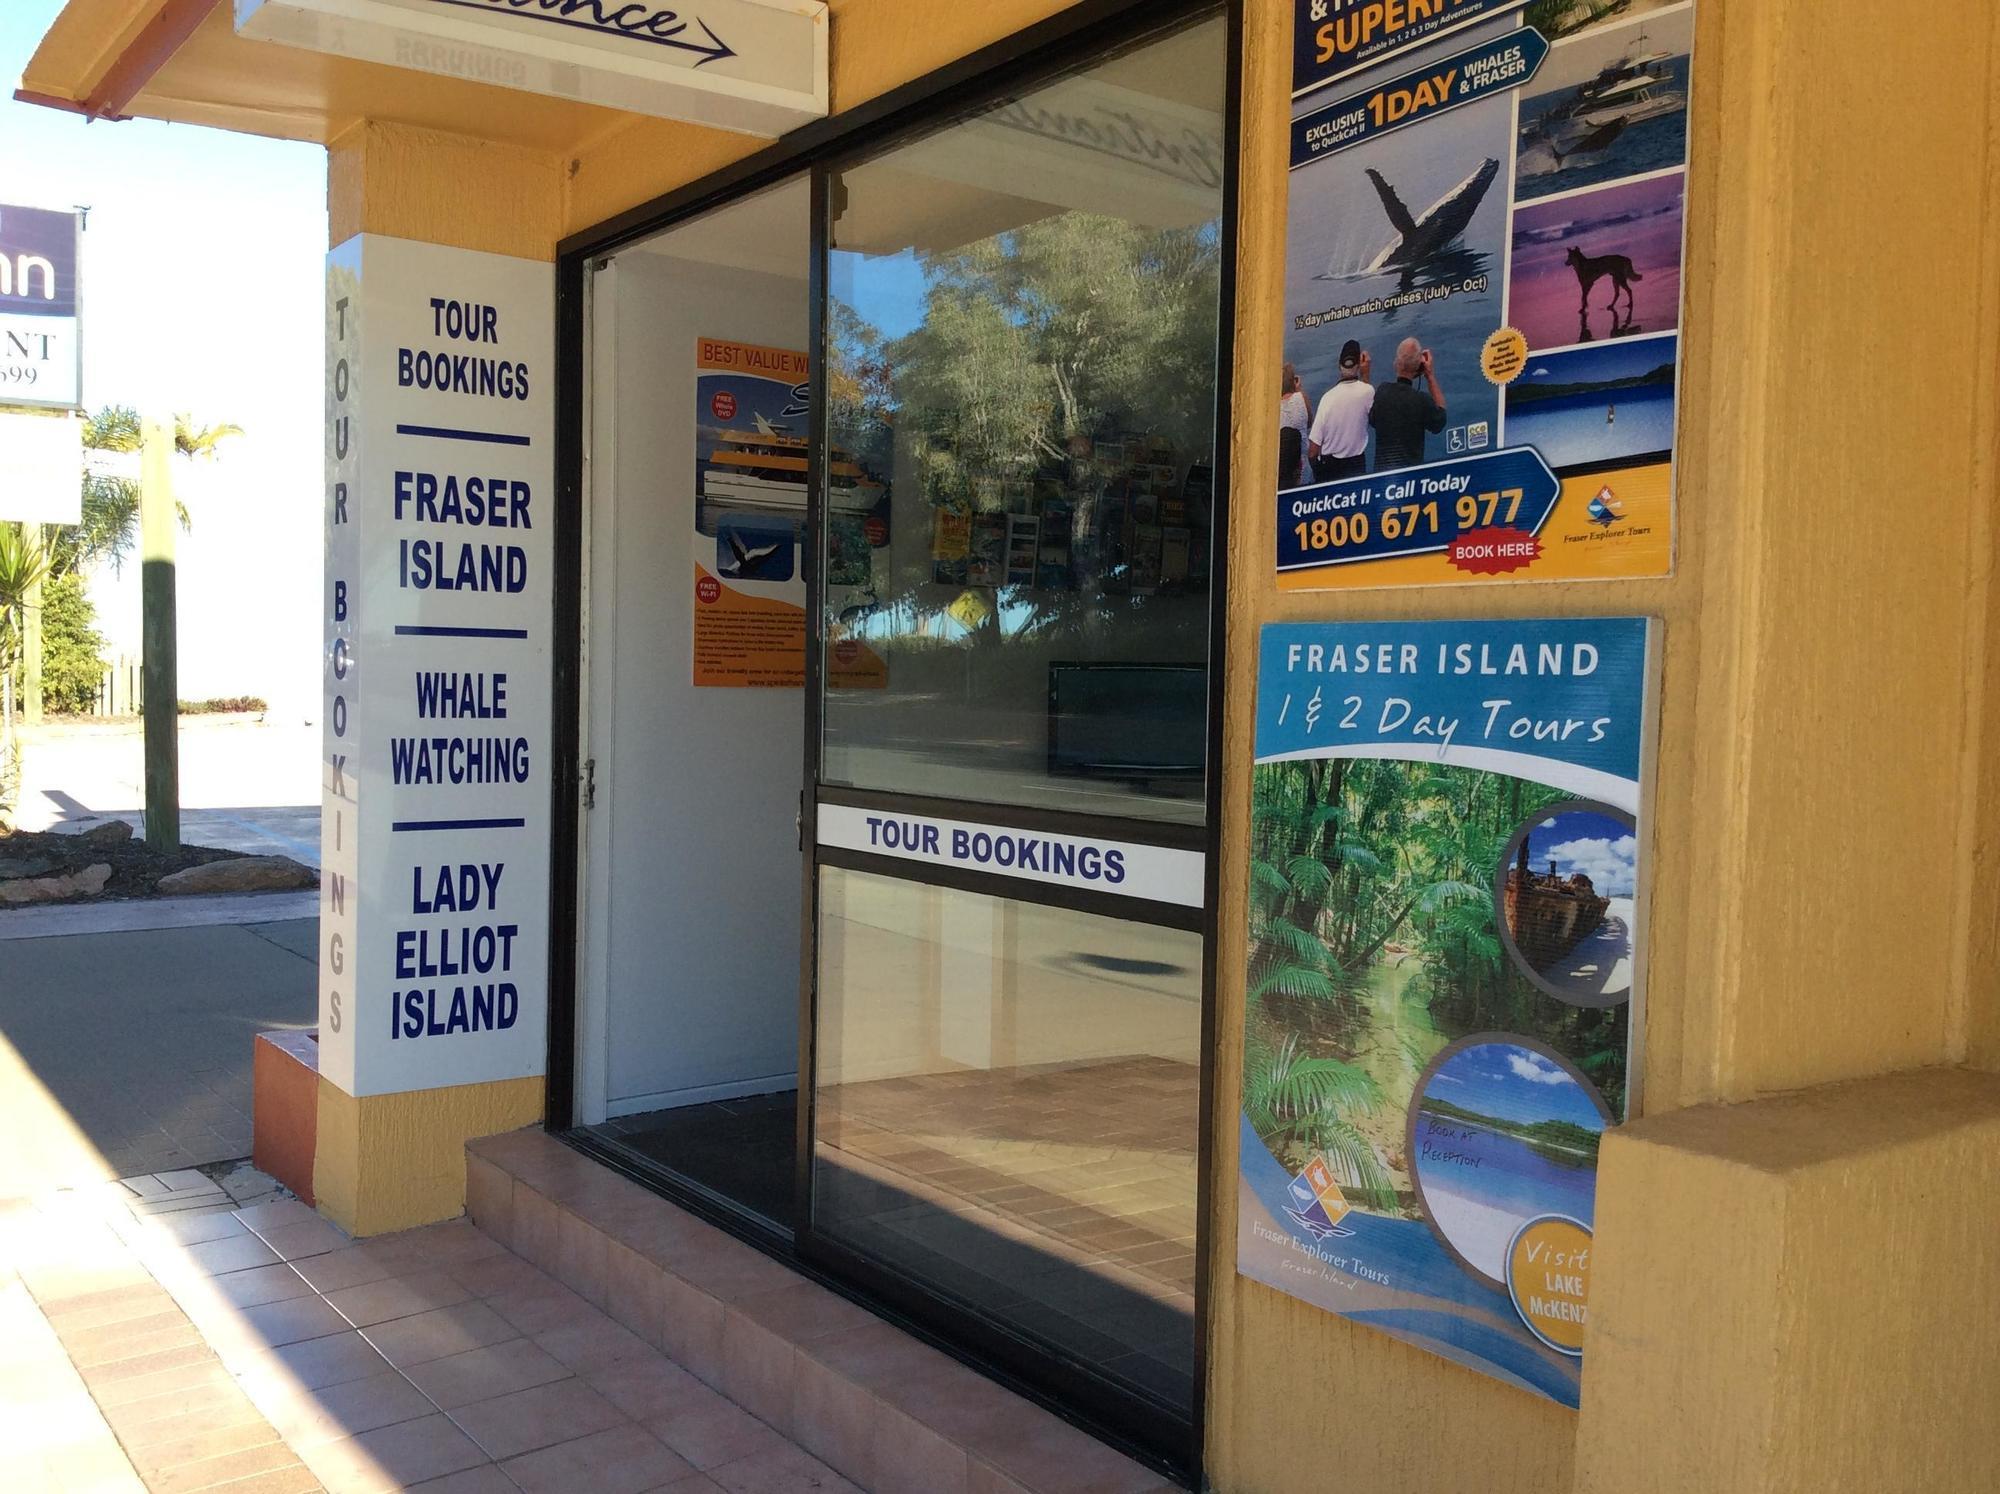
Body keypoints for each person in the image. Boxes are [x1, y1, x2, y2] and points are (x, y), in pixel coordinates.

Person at [1369, 337, 1447, 472]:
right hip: (1411, 476)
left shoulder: (1382, 392)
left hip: (1383, 476)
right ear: (1419, 367)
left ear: (1396, 363)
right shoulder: (1421, 401)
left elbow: (1372, 419)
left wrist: (1365, 376)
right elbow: (1440, 420)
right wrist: (1430, 376)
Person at [1307, 339, 1373, 481]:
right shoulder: (1367, 392)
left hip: (1329, 469)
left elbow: (1312, 452)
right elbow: (1369, 408)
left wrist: (1320, 474)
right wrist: (1366, 374)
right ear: (1359, 364)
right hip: (1356, 466)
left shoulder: (1327, 399)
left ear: (1339, 366)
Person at [1278, 363, 1312, 488]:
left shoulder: (1272, 409)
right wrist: (1299, 390)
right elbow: (1309, 423)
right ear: (1294, 381)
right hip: (1303, 464)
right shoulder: (1301, 397)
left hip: (1282, 467)